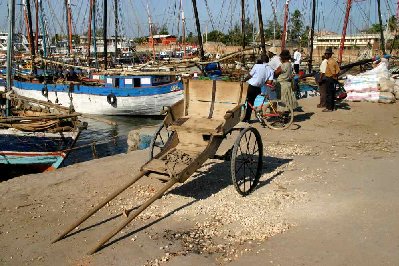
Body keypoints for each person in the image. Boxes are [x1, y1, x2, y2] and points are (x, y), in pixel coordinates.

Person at [243, 55, 273, 122]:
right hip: (259, 88)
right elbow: (270, 82)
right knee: (257, 100)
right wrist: (263, 80)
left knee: (249, 101)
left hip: (252, 87)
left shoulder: (257, 66)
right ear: (268, 61)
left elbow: (250, 75)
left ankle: (247, 118)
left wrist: (244, 80)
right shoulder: (270, 69)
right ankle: (258, 112)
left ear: (261, 60)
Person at [323, 47, 340, 112]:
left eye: (326, 54)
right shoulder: (333, 61)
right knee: (331, 93)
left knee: (329, 93)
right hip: (332, 79)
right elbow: (338, 70)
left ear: (330, 55)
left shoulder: (330, 62)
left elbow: (333, 72)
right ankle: (331, 107)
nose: (325, 55)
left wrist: (334, 78)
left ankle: (329, 108)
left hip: (330, 78)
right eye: (325, 54)